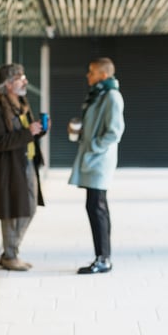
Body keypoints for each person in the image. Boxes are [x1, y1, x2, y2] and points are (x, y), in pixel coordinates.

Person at [69, 57, 125, 275]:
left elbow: (114, 132)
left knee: (96, 207)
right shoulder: (98, 95)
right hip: (93, 158)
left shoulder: (112, 96)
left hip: (99, 160)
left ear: (103, 75)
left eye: (91, 72)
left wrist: (92, 145)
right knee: (97, 207)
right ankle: (103, 257)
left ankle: (103, 259)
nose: (87, 76)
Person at [0, 64, 45, 271]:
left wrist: (38, 130)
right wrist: (28, 132)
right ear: (8, 84)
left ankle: (11, 251)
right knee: (12, 211)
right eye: (21, 78)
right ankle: (10, 255)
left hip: (26, 163)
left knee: (28, 209)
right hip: (9, 168)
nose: (25, 82)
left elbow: (26, 134)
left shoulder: (22, 104)